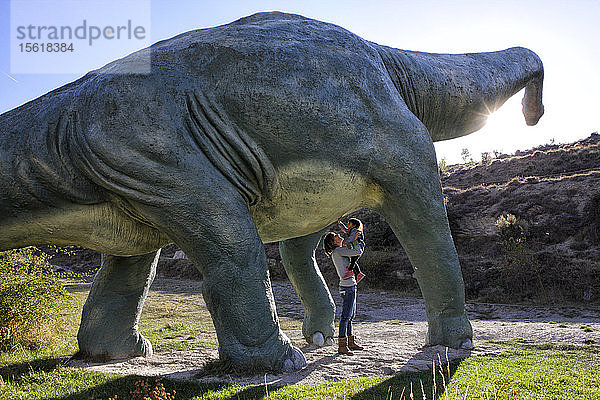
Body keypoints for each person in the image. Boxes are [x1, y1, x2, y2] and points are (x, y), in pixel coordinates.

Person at [323, 231, 365, 355]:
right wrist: (360, 241)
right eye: (336, 236)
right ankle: (342, 346)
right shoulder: (338, 251)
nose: (338, 236)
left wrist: (354, 240)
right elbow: (357, 252)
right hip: (347, 286)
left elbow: (351, 249)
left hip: (350, 285)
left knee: (350, 316)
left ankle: (350, 342)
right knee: (345, 317)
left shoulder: (340, 251)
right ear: (333, 241)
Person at [337, 217, 366, 282]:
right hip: (357, 247)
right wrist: (340, 223)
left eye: (349, 223)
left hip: (357, 246)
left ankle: (350, 271)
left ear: (354, 225)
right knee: (353, 261)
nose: (347, 224)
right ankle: (359, 274)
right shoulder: (351, 230)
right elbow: (345, 230)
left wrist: (346, 243)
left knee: (352, 261)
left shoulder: (355, 230)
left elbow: (352, 237)